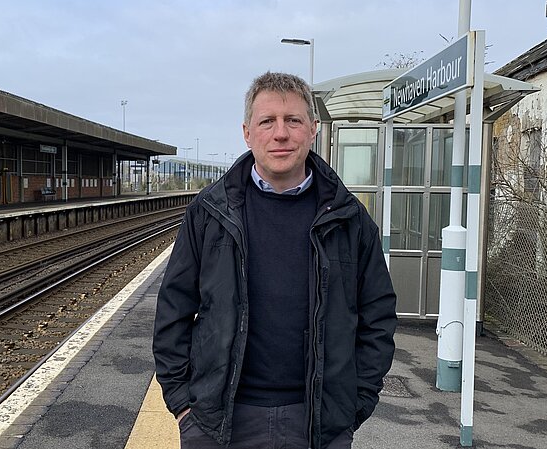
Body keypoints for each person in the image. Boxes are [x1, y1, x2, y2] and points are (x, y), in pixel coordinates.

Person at [152, 72, 397, 449]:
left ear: (312, 129)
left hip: (318, 423)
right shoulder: (210, 213)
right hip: (219, 422)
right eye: (267, 121)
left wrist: (355, 404)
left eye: (293, 120)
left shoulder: (349, 219)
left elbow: (377, 315)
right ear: (247, 132)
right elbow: (173, 309)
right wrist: (185, 407)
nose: (280, 133)